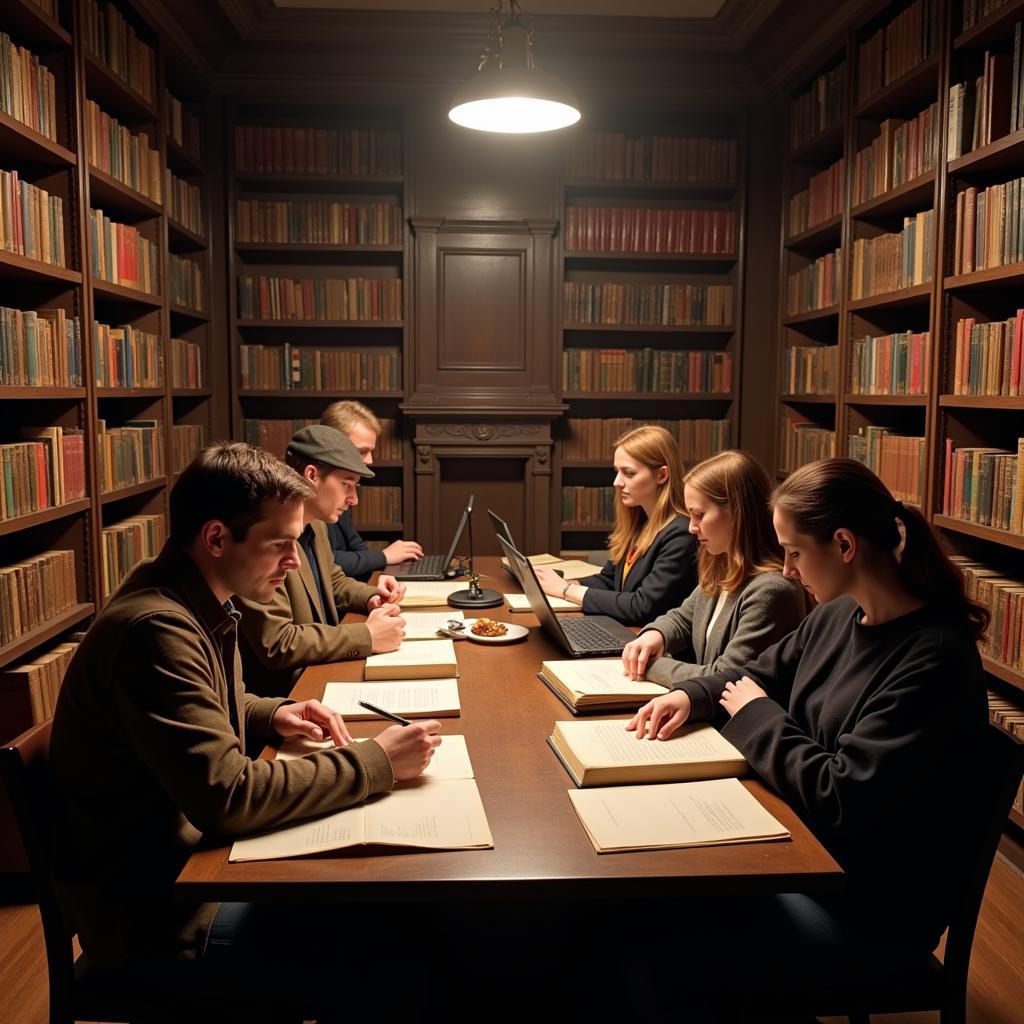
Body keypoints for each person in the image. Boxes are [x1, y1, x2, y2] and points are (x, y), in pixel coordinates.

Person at [49, 442, 440, 1003]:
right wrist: (377, 761)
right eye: (280, 544)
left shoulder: (197, 596)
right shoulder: (157, 630)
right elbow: (228, 796)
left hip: (187, 868)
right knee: (390, 945)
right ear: (215, 538)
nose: (296, 561)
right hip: (160, 920)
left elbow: (207, 709)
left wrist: (273, 712)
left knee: (381, 912)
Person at [628, 458, 989, 989]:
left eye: (795, 552)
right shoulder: (836, 613)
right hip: (807, 854)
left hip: (865, 909)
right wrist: (691, 694)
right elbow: (755, 674)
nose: (788, 570)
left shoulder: (933, 658)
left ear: (844, 545)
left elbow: (839, 794)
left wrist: (754, 714)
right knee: (644, 898)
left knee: (650, 930)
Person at [236, 424, 408, 696]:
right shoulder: (265, 537)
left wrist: (372, 596)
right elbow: (277, 643)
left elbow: (334, 580)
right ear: (312, 475)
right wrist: (367, 635)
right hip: (289, 695)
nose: (354, 499)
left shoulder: (315, 525)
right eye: (347, 485)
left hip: (323, 670)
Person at [621, 450, 805, 685]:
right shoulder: (723, 563)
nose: (691, 527)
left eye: (699, 515)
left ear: (738, 513)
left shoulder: (772, 590)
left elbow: (724, 677)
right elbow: (683, 618)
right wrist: (655, 635)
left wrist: (652, 666)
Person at [535, 424, 697, 625]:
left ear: (662, 475)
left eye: (628, 473)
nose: (616, 482)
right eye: (617, 471)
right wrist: (560, 583)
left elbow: (642, 607)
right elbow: (609, 581)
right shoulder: (640, 523)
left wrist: (566, 590)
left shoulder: (682, 533)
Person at [320, 399, 423, 580]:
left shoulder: (343, 490)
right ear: (333, 445)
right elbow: (325, 562)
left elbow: (355, 546)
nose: (370, 461)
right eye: (362, 451)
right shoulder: (309, 494)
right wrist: (383, 557)